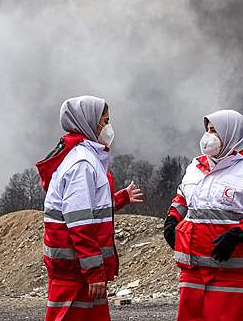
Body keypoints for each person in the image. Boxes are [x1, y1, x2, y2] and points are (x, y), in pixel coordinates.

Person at [163, 109, 243, 321]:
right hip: (193, 272)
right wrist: (172, 219)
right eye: (208, 130)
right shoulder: (195, 168)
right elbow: (182, 197)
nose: (209, 136)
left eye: (215, 131)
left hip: (235, 276)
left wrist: (238, 234)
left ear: (232, 134)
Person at [36, 95, 143, 321]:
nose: (107, 127)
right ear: (87, 122)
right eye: (103, 121)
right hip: (77, 275)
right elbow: (80, 222)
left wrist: (119, 199)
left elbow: (88, 208)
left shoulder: (80, 157)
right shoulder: (82, 163)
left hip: (76, 271)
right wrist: (94, 272)